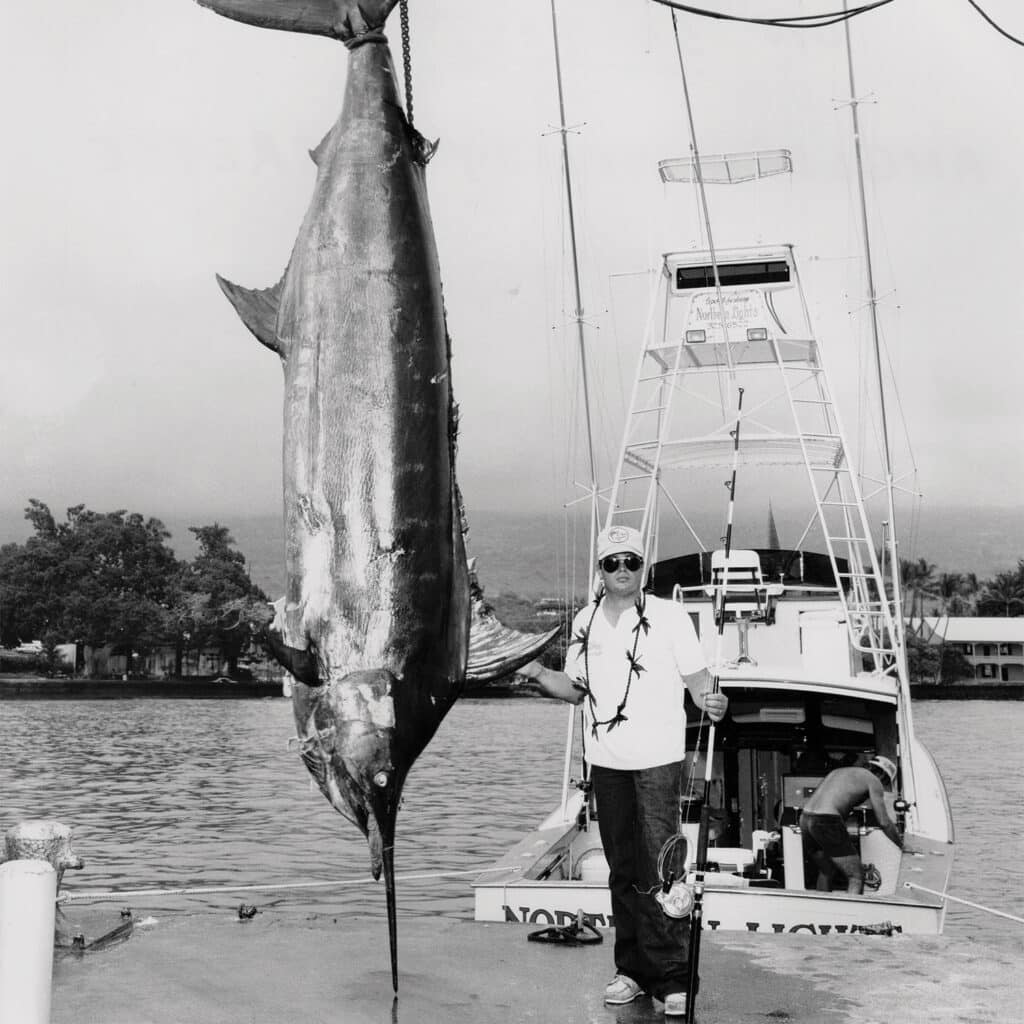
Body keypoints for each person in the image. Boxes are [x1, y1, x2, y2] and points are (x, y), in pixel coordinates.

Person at [519, 525, 727, 1019]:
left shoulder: (671, 616)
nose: (622, 571)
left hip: (658, 761)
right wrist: (532, 672)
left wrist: (713, 700)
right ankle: (630, 971)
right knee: (622, 871)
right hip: (606, 763)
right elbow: (574, 689)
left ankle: (674, 979)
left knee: (664, 871)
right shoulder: (585, 622)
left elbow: (699, 681)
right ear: (601, 569)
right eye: (612, 563)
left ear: (643, 566)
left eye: (631, 561)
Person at [799, 755, 903, 894]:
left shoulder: (840, 771)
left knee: (827, 870)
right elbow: (884, 822)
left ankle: (823, 911)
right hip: (825, 821)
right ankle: (852, 914)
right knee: (856, 877)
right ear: (883, 775)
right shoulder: (873, 781)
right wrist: (901, 845)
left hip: (805, 819)